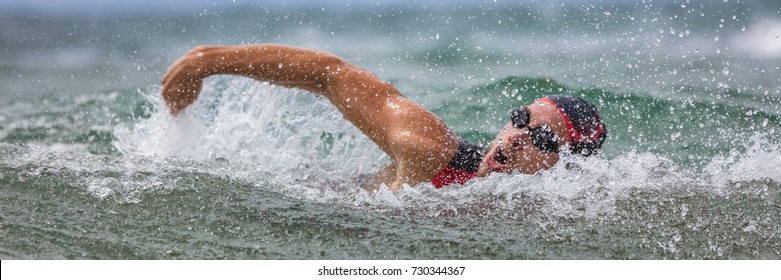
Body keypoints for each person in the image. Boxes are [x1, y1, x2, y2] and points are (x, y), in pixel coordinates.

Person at [161, 44, 607, 192]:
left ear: (569, 166)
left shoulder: (563, 210)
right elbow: (331, 75)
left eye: (544, 141)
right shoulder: (430, 149)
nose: (514, 140)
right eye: (519, 119)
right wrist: (208, 61)